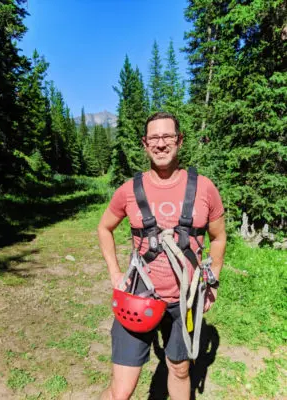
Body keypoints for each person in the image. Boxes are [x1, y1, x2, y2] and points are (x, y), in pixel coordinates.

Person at [97, 112, 226, 400]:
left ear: (179, 141)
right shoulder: (130, 190)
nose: (161, 143)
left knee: (179, 369)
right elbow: (104, 228)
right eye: (154, 138)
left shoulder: (204, 188)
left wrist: (212, 280)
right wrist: (115, 274)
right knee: (121, 390)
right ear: (145, 144)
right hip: (139, 296)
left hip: (185, 299)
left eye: (168, 136)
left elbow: (218, 237)